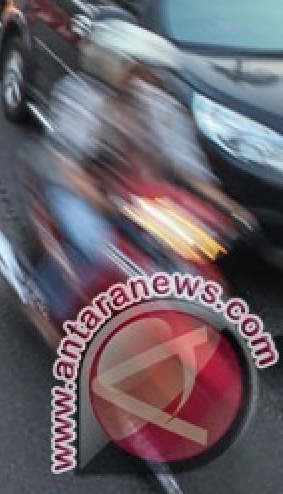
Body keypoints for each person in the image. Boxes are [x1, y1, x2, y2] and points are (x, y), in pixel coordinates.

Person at [22, 20, 256, 321]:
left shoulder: (159, 106)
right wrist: (102, 202)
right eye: (139, 68)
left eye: (148, 69)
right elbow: (68, 163)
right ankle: (45, 301)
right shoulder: (80, 96)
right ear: (115, 64)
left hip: (138, 198)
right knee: (93, 245)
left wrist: (229, 208)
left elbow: (186, 165)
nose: (149, 76)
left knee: (190, 254)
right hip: (75, 189)